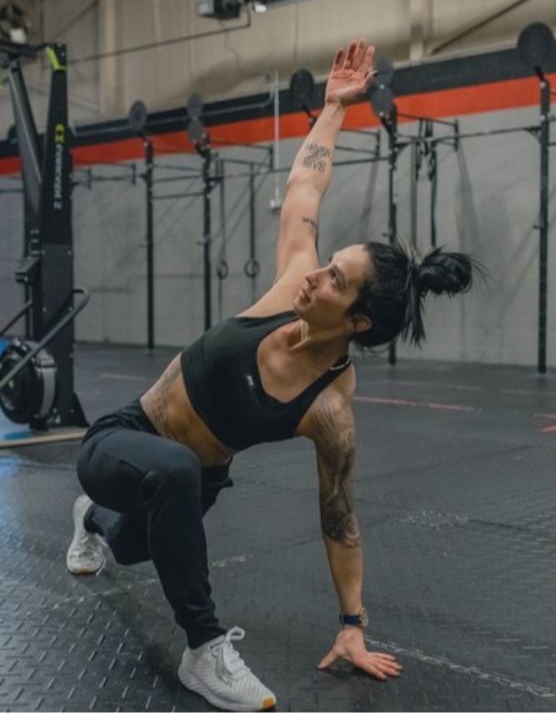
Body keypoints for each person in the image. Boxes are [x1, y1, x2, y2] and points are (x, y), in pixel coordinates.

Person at [66, 39, 479, 713]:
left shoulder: (329, 408)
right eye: (329, 262)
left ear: (357, 322)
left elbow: (340, 518)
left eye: (335, 279)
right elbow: (306, 187)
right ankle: (204, 650)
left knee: (131, 542)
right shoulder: (293, 281)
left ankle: (90, 518)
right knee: (171, 467)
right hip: (124, 435)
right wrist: (335, 107)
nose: (316, 274)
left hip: (188, 483)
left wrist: (352, 626)